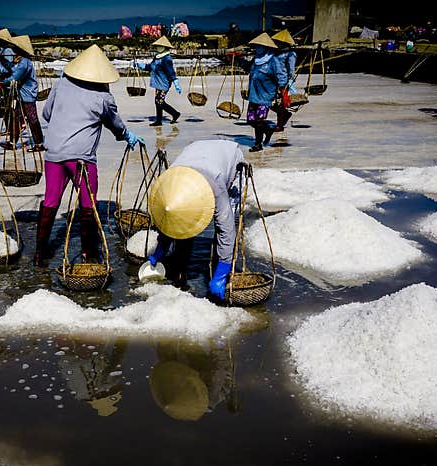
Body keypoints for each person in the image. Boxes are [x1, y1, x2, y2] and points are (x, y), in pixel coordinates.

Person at [35, 45, 145, 267]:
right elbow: (115, 124)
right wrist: (126, 135)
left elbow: (46, 114)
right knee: (88, 203)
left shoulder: (61, 84)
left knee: (51, 201)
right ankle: (89, 253)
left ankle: (40, 253)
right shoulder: (103, 97)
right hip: (81, 158)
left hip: (54, 153)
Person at [147, 139, 245, 298]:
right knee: (182, 223)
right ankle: (180, 274)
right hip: (195, 151)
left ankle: (217, 272)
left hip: (229, 159)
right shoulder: (171, 180)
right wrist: (161, 249)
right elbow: (171, 220)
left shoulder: (217, 186)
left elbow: (226, 231)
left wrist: (223, 270)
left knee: (225, 222)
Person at [0, 35, 44, 152]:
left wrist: (2, 82)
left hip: (28, 95)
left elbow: (16, 76)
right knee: (17, 118)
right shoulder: (19, 60)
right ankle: (12, 142)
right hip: (21, 95)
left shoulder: (25, 62)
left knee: (32, 119)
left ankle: (39, 144)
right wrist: (1, 59)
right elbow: (12, 69)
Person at [241, 33, 279, 152]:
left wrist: (283, 91)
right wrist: (238, 59)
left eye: (259, 46)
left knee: (259, 120)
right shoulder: (256, 60)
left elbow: (281, 76)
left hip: (266, 95)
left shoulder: (273, 61)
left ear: (266, 47)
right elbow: (247, 68)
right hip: (254, 95)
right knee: (251, 120)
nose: (257, 48)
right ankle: (268, 130)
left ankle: (258, 144)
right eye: (256, 46)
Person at [136, 36, 182, 127]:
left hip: (164, 83)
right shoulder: (157, 57)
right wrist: (140, 65)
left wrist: (175, 81)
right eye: (157, 46)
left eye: (160, 46)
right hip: (157, 82)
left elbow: (170, 71)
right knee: (158, 101)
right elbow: (151, 67)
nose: (158, 47)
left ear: (165, 47)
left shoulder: (167, 59)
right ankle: (166, 117)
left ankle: (170, 115)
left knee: (159, 101)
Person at [271, 29, 297, 131]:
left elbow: (291, 68)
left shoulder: (291, 54)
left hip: (283, 80)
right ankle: (284, 115)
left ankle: (279, 124)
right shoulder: (274, 52)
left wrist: (289, 79)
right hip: (272, 79)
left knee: (281, 102)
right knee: (271, 101)